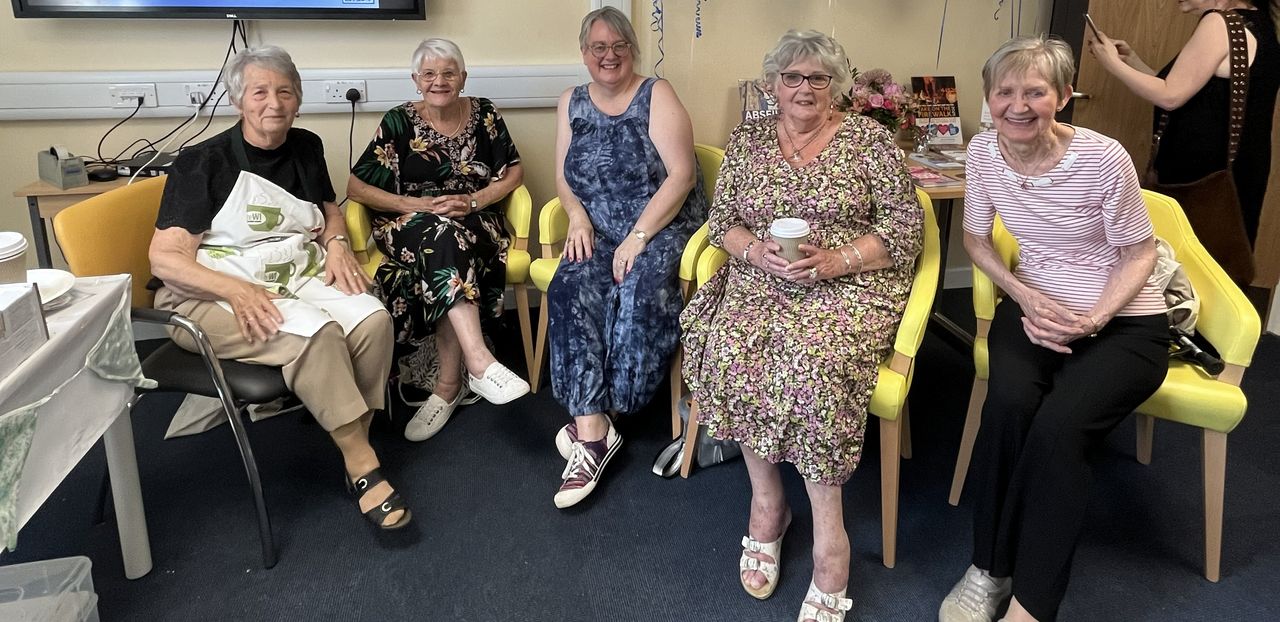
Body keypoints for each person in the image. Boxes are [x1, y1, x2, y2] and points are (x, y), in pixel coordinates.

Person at [680, 30, 922, 622]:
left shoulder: (869, 141)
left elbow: (905, 231)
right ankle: (768, 505)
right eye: (792, 77)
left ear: (836, 85)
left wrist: (837, 260)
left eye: (818, 77)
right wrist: (753, 251)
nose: (804, 88)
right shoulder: (749, 139)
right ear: (773, 84)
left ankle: (830, 538)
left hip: (848, 284)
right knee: (729, 348)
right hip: (762, 279)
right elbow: (723, 219)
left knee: (810, 365)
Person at [939, 36, 1169, 622]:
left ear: (1063, 96)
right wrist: (1023, 295)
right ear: (989, 98)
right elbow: (975, 239)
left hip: (1123, 322)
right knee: (1008, 407)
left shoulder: (1103, 159)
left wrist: (1093, 319)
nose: (1018, 106)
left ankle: (1032, 605)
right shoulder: (983, 152)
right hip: (1034, 309)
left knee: (1059, 430)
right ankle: (989, 569)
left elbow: (1141, 253)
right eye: (1004, 92)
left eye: (1035, 92)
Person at [149, 46, 410, 530]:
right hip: (206, 298)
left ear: (299, 99)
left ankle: (350, 430)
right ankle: (362, 463)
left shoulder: (306, 146)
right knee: (319, 335)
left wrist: (337, 244)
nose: (274, 103)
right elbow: (165, 259)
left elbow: (328, 210)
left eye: (285, 91)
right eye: (260, 92)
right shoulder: (201, 162)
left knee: (373, 320)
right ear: (237, 101)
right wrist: (235, 290)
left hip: (291, 275)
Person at [546, 6, 707, 509]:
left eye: (619, 46)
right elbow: (563, 177)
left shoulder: (656, 94)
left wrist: (638, 236)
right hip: (597, 228)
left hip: (661, 225)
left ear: (632, 51)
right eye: (599, 47)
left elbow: (682, 176)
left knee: (639, 286)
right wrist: (576, 216)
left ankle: (612, 410)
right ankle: (594, 430)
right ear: (584, 53)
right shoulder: (571, 101)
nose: (609, 55)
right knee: (569, 285)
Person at [348, 38, 529, 442]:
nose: (439, 81)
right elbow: (356, 187)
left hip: (475, 219)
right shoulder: (398, 121)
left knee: (449, 245)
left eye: (448, 73)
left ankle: (448, 386)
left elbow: (514, 172)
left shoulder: (484, 113)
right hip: (409, 222)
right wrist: (416, 204)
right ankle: (478, 362)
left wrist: (474, 200)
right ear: (416, 80)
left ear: (463, 77)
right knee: (444, 238)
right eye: (429, 74)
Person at [1087, 0, 1279, 284]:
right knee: (1212, 275)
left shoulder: (1219, 24)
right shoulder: (1258, 22)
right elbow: (1188, 89)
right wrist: (1132, 61)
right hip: (1232, 178)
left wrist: (1111, 64)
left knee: (1180, 272)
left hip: (1199, 178)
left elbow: (1170, 96)